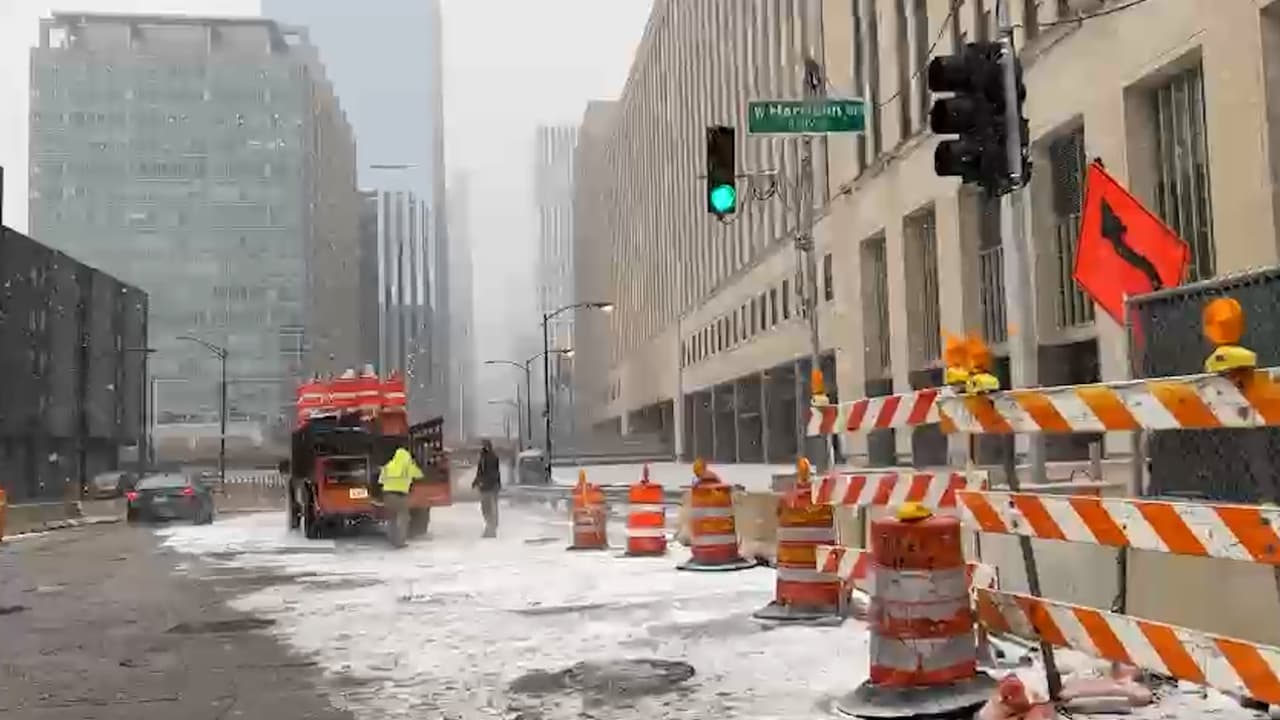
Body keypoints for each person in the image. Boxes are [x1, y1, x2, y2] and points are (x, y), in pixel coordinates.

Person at [473, 439, 501, 537]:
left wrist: (480, 481)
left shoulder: (488, 457)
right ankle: (490, 528)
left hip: (489, 487)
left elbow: (489, 472)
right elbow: (481, 471)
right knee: (488, 508)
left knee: (488, 509)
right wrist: (476, 481)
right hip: (489, 487)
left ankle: (491, 529)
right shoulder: (485, 457)